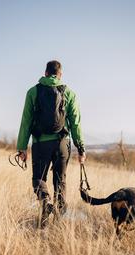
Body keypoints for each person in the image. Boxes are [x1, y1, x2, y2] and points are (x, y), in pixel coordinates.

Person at [16, 60, 86, 228]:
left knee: (39, 179)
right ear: (60, 74)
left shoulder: (33, 92)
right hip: (62, 143)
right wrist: (81, 148)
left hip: (40, 143)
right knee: (60, 181)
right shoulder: (69, 93)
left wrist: (22, 148)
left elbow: (26, 121)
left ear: (45, 73)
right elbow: (75, 122)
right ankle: (59, 222)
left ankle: (45, 203)